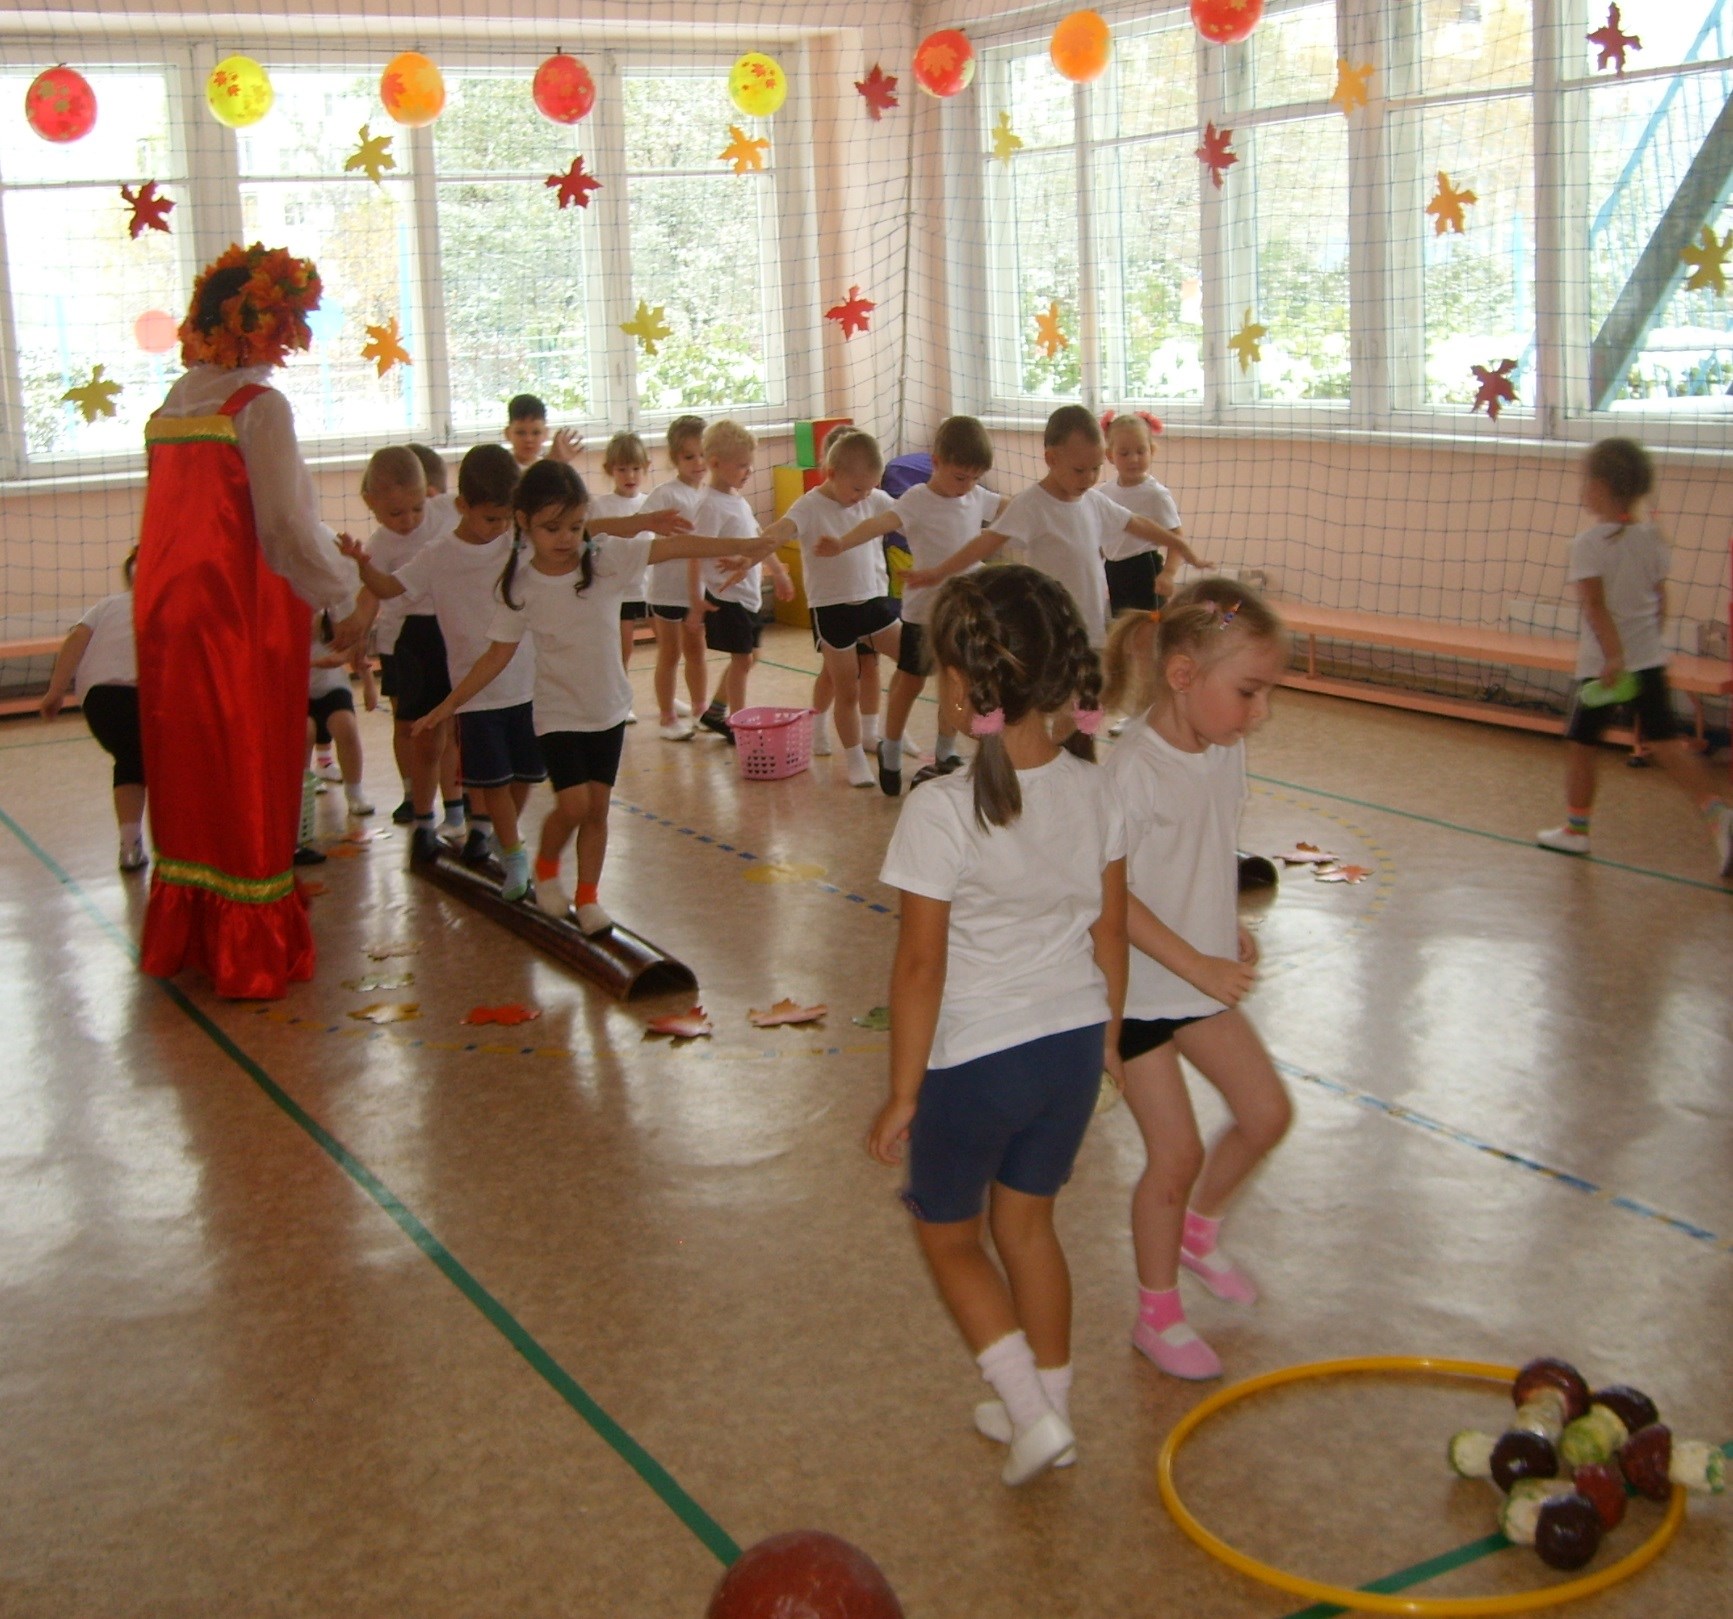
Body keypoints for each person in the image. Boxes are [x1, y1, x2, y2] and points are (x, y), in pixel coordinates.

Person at [868, 565, 1127, 1487]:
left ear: (965, 683)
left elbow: (919, 966)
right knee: (1031, 1229)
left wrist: (903, 1092)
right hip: (1067, 1054)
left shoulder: (940, 807)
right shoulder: (1095, 787)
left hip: (976, 1062)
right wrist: (1106, 1041)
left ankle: (1030, 1414)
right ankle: (1046, 1407)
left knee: (949, 1235)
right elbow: (1110, 928)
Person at [132, 242, 367, 999]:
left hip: (167, 620)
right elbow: (284, 529)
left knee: (188, 765)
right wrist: (343, 593)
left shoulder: (172, 405)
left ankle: (190, 930)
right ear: (267, 325)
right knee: (248, 764)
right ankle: (247, 945)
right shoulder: (257, 409)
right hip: (238, 619)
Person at [411, 461, 775, 933]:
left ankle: (587, 898)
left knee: (597, 811)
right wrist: (447, 705)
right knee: (574, 807)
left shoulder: (604, 560)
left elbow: (675, 546)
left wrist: (746, 546)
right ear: (523, 523)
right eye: (551, 528)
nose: (566, 538)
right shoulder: (520, 584)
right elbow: (495, 656)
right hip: (558, 714)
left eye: (576, 525)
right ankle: (544, 868)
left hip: (606, 709)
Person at [1100, 579, 1293, 1381]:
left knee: (1265, 1113)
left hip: (1196, 980)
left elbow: (1204, 851)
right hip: (1132, 995)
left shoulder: (1221, 750)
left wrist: (1226, 926)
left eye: (1265, 692)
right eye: (1247, 691)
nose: (1259, 711)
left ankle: (1199, 1233)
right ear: (1181, 676)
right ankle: (1157, 1312)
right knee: (1172, 1155)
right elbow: (1105, 898)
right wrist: (1197, 958)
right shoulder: (1130, 770)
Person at [1536, 437, 1733, 875]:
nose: (1582, 489)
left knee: (1580, 745)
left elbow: (1596, 607)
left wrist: (1613, 657)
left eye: (1586, 480)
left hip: (1603, 669)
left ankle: (1576, 830)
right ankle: (1719, 814)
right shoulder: (1652, 538)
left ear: (1602, 486)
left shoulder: (1588, 545)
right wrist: (1644, 647)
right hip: (1648, 660)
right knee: (1665, 743)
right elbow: (1661, 602)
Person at [905, 405, 1206, 653]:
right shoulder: (1031, 504)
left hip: (1090, 626)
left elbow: (1136, 523)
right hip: (1051, 628)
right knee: (1055, 700)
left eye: (1096, 468)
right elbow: (985, 542)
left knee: (1086, 704)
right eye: (1079, 469)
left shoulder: (1093, 501)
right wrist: (938, 572)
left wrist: (1179, 545)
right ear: (1052, 458)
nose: (1089, 478)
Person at [817, 415, 1003, 794]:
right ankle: (891, 745)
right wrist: (841, 542)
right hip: (924, 612)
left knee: (957, 681)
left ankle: (945, 751)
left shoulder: (975, 496)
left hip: (963, 612)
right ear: (936, 462)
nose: (966, 487)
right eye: (959, 477)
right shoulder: (918, 499)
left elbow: (1014, 509)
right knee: (910, 682)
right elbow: (878, 524)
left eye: (973, 479)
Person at [758, 429, 902, 787]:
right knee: (844, 685)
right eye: (857, 489)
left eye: (870, 489)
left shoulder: (874, 499)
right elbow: (783, 528)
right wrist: (756, 546)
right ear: (831, 473)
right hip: (833, 608)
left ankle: (885, 734)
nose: (863, 497)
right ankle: (852, 756)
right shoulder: (810, 505)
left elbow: (910, 514)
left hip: (874, 600)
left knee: (913, 657)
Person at [361, 445, 464, 830]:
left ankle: (455, 806)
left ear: (430, 496)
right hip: (401, 642)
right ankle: (412, 793)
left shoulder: (446, 511)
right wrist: (357, 630)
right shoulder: (379, 547)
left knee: (448, 726)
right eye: (395, 513)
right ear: (370, 503)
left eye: (416, 508)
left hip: (446, 632)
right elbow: (371, 595)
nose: (408, 521)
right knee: (408, 726)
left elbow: (494, 500)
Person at [39, 549, 148, 871]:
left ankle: (130, 846)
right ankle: (186, 848)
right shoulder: (174, 603)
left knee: (130, 761)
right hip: (148, 696)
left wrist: (55, 691)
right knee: (168, 765)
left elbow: (76, 639)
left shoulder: (107, 605)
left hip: (101, 700)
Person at [692, 420, 794, 744]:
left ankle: (715, 711)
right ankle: (741, 725)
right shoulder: (709, 504)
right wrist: (695, 599)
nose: (748, 471)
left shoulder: (737, 499)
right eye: (741, 466)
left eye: (750, 464)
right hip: (725, 596)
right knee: (742, 660)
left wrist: (777, 571)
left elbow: (758, 540)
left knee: (751, 657)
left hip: (747, 595)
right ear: (715, 464)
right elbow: (693, 551)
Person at [642, 415, 710, 739]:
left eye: (702, 454)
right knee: (670, 652)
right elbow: (641, 530)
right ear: (674, 459)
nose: (698, 463)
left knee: (697, 649)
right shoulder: (665, 494)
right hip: (667, 592)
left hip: (697, 591)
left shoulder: (710, 495)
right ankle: (667, 717)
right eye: (688, 456)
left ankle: (700, 709)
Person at [1100, 411, 1204, 616]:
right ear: (1110, 455)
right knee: (1123, 625)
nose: (1134, 459)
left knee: (1149, 626)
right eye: (1124, 453)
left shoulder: (1156, 494)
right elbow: (1101, 537)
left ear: (1152, 451)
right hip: (1113, 570)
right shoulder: (1103, 493)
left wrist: (1168, 574)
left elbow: (1176, 539)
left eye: (1141, 451)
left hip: (1144, 569)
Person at [589, 430, 652, 721]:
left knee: (670, 647)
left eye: (636, 468)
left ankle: (666, 699)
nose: (630, 475)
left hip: (649, 589)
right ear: (609, 471)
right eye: (622, 469)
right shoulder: (600, 506)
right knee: (622, 651)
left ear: (646, 468)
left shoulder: (651, 503)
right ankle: (621, 701)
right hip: (620, 592)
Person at [504, 393, 580, 467]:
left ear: (545, 433)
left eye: (536, 433)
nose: (528, 439)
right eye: (520, 433)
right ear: (507, 433)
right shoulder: (502, 468)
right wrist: (551, 462)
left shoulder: (553, 465)